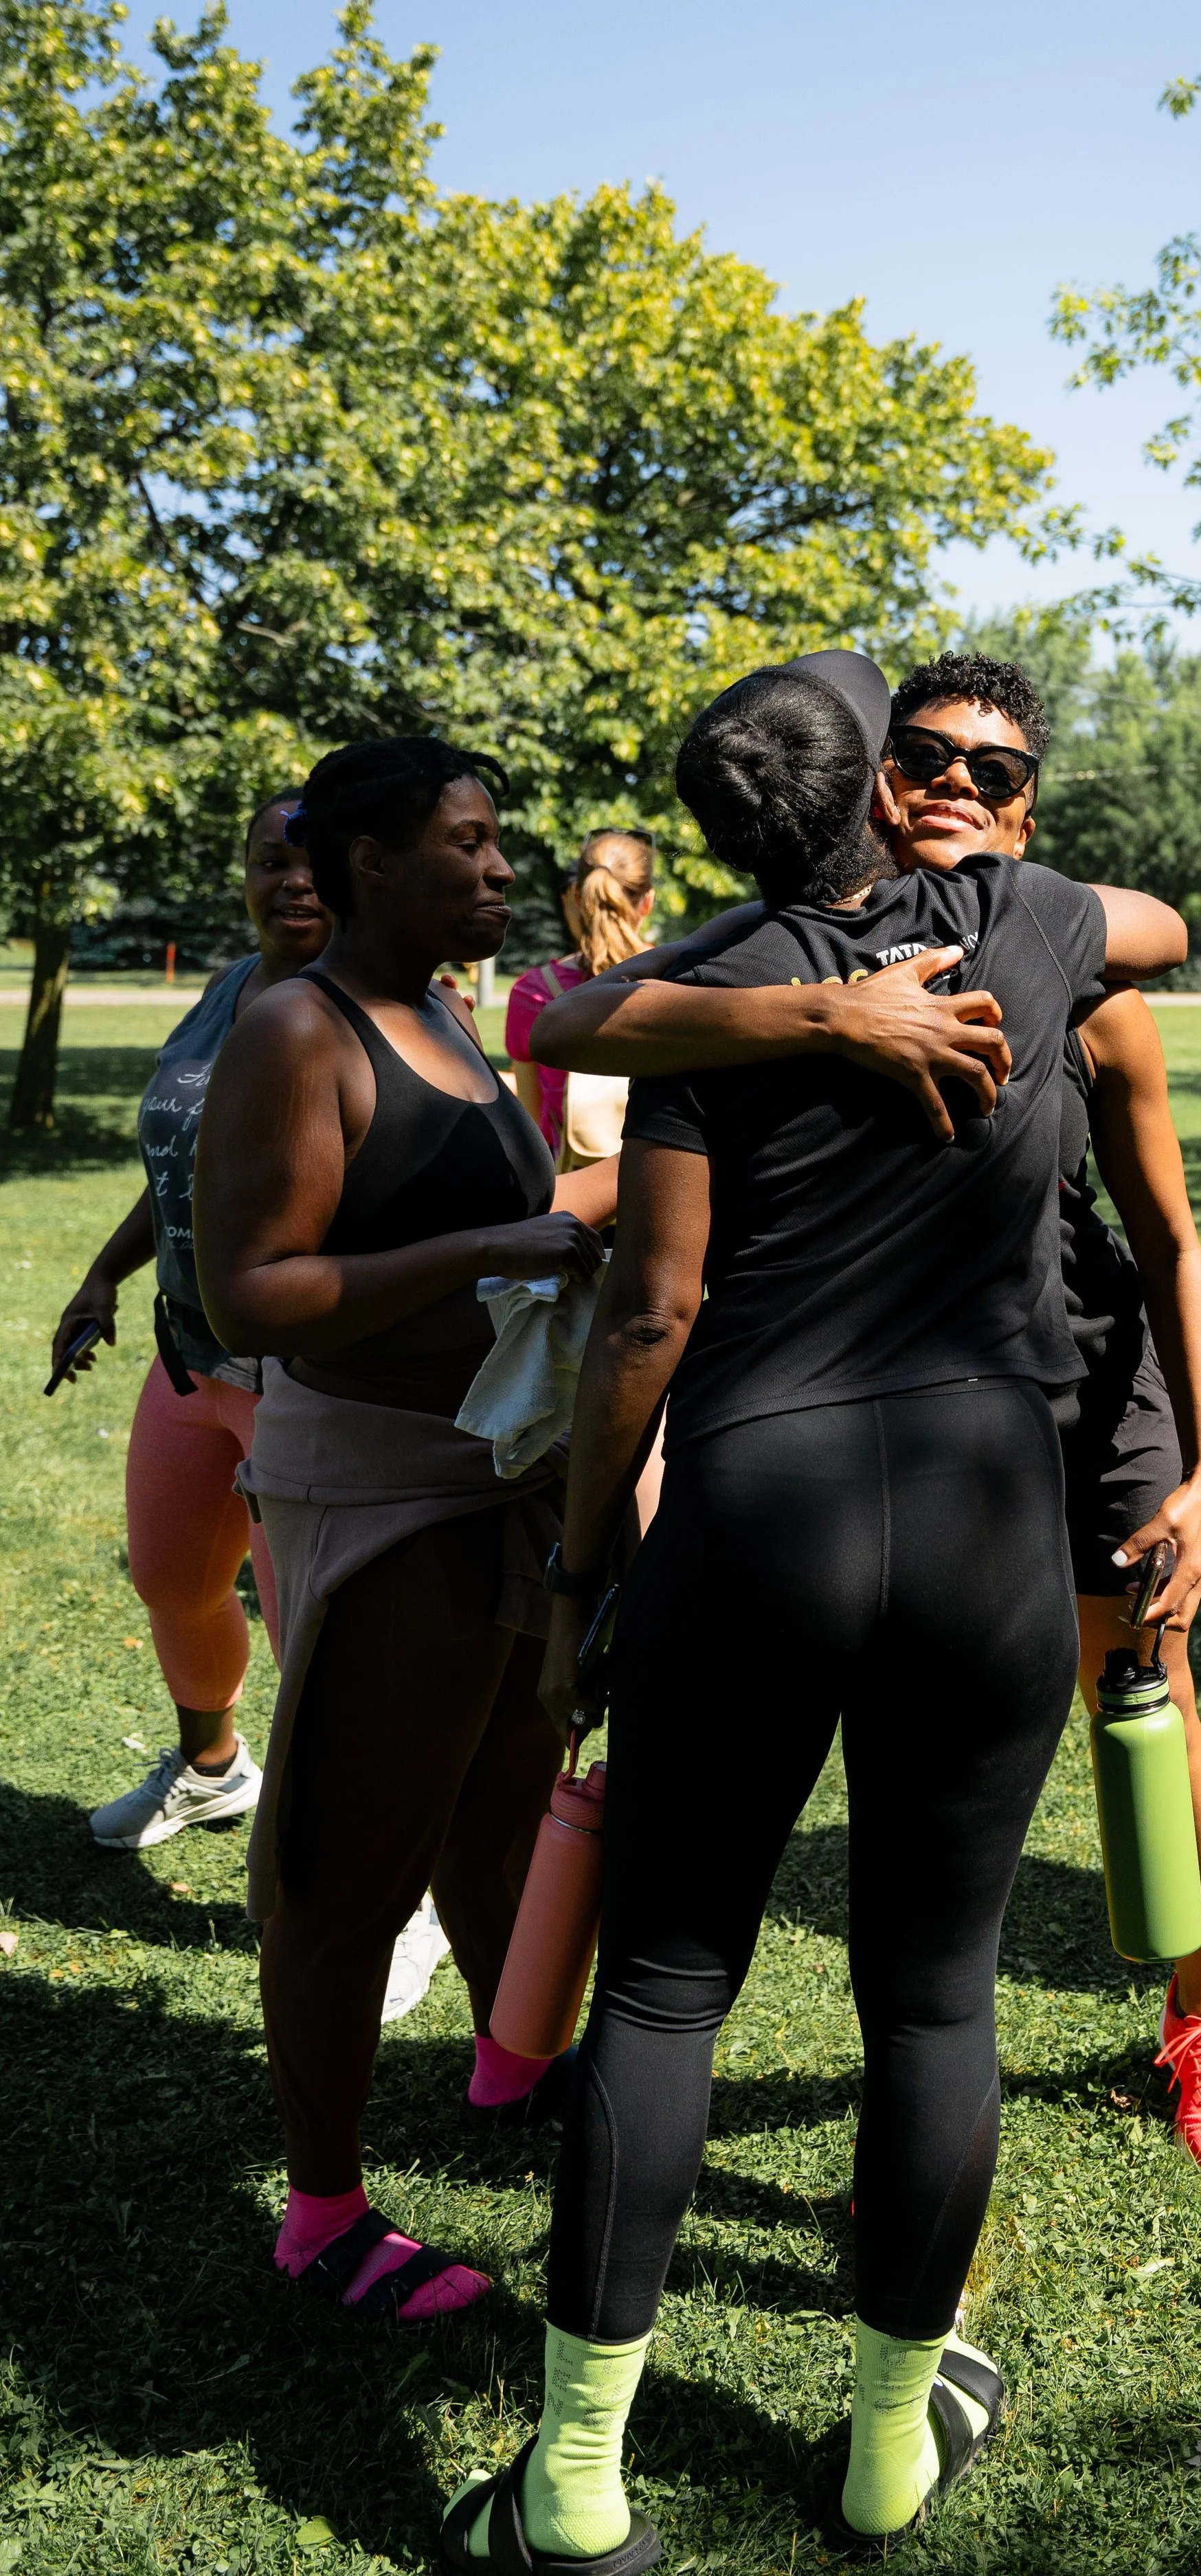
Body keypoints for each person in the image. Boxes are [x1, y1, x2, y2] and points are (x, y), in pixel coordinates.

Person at [440, 653, 1152, 2568]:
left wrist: (588, 1563)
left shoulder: (705, 1001)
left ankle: (576, 2485)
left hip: (757, 1511)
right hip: (993, 1514)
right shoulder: (1030, 920)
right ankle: (880, 2448)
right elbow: (1141, 922)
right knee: (934, 1991)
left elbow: (648, 1318)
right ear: (883, 791)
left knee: (666, 1982)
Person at [530, 650, 1201, 2166]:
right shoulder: (800, 957)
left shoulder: (1080, 968)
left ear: (1029, 802)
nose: (953, 784)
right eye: (924, 755)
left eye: (992, 770)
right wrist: (821, 1022)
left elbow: (1174, 1239)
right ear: (871, 779)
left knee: (1142, 1699)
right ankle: (922, 2125)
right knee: (918, 1811)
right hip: (902, 1399)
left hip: (1083, 1381)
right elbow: (628, 1056)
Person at [194, 737, 611, 2325]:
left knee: (494, 1815)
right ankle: (323, 2214)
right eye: (471, 841)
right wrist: (497, 1242)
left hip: (495, 1477)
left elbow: (480, 1215)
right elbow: (261, 1293)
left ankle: (521, 2077)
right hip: (383, 1492)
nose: (505, 867)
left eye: (502, 841)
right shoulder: (299, 1028)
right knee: (344, 1874)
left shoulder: (435, 1008)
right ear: (374, 861)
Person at [51, 791, 322, 1849]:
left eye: (311, 862)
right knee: (172, 1576)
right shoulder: (226, 989)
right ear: (245, 874)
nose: (289, 880)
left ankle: (394, 1876)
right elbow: (182, 1163)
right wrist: (104, 1274)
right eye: (268, 861)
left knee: (315, 1632)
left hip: (302, 1373)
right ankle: (213, 1767)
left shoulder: (375, 1002)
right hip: (189, 1350)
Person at [508, 831, 655, 1166]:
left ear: (577, 895)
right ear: (648, 901)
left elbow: (532, 1122)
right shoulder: (681, 978)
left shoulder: (532, 991)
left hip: (573, 1192)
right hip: (658, 1185)